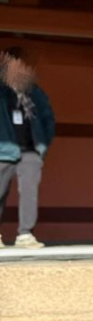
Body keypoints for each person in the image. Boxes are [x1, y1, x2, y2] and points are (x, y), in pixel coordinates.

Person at [0, 46, 55, 249]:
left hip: (30, 150)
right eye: (15, 65)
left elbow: (48, 119)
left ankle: (25, 234)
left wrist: (43, 145)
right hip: (3, 150)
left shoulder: (35, 93)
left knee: (29, 193)